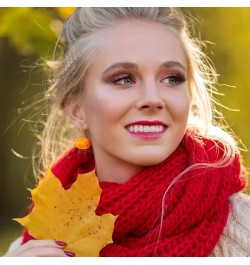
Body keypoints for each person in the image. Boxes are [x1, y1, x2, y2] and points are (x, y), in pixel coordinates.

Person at [4, 7, 250, 257]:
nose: (153, 99)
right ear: (77, 110)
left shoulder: (243, 235)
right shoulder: (32, 248)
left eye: (172, 78)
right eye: (124, 79)